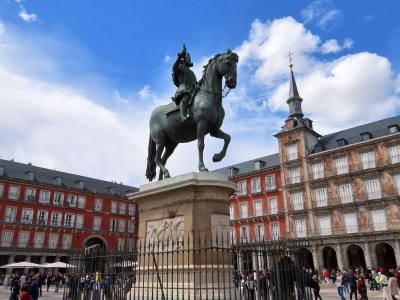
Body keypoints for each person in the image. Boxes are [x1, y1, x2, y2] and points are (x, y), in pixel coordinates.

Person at [171, 44, 197, 123]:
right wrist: (180, 56)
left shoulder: (192, 73)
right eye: (187, 57)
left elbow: (195, 83)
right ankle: (183, 117)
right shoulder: (179, 67)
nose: (188, 58)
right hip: (183, 89)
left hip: (193, 89)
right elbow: (174, 68)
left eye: (189, 57)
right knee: (185, 97)